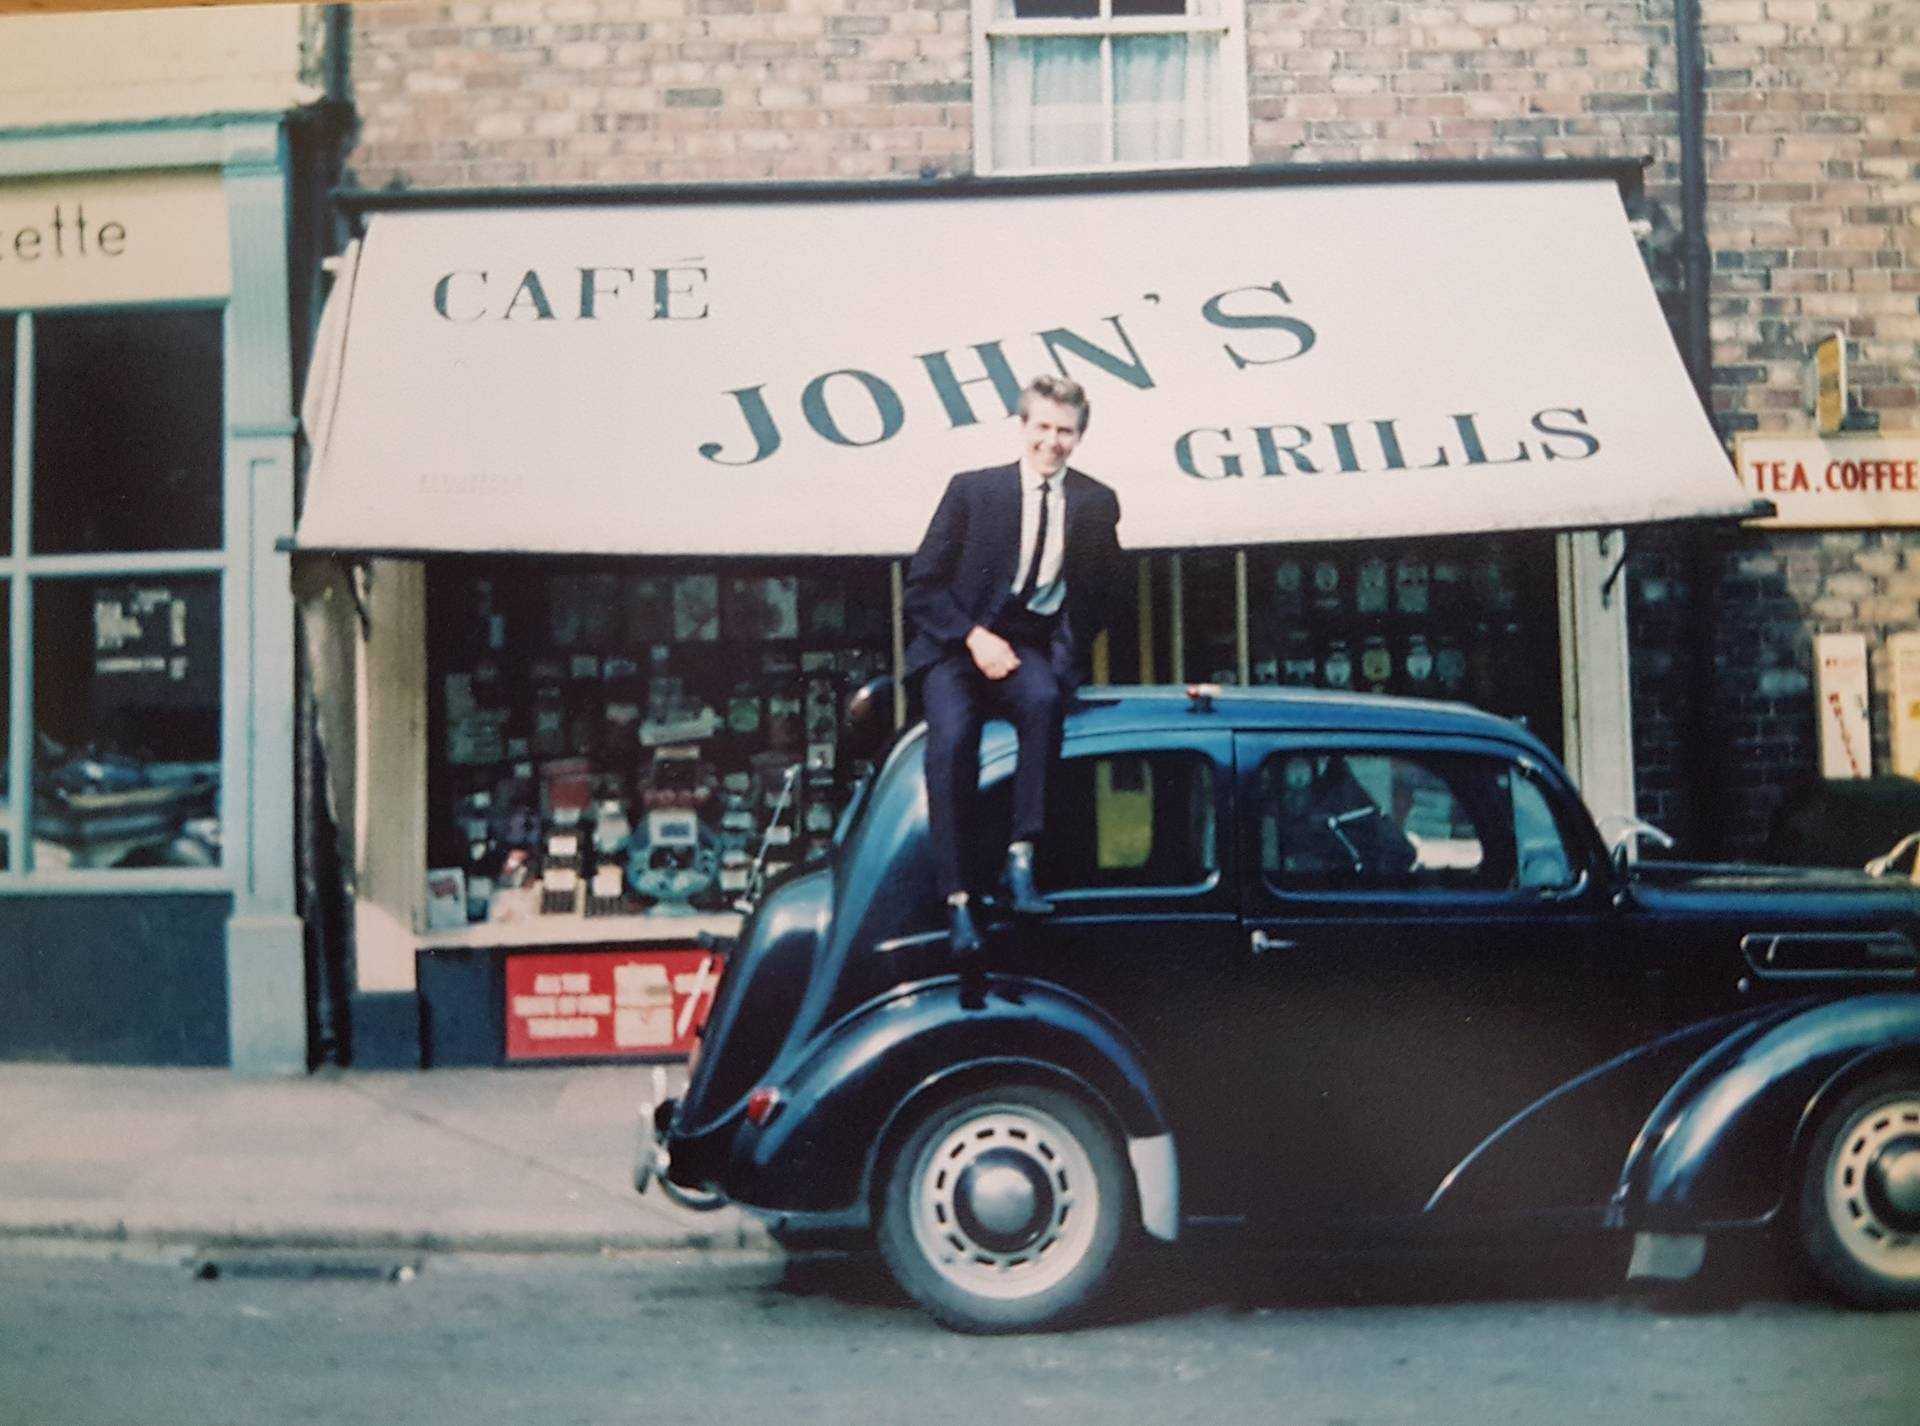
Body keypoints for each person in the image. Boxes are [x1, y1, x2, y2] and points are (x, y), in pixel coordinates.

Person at [903, 374, 1123, 955]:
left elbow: (1101, 593)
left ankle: (1021, 858)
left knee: (1045, 702)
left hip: (1027, 644)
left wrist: (1064, 657)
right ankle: (957, 901)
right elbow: (921, 587)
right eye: (1043, 427)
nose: (1052, 442)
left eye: (1066, 431)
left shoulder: (1096, 502)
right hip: (957, 646)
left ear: (1080, 437)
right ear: (1021, 428)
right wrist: (974, 638)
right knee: (953, 741)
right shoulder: (973, 492)